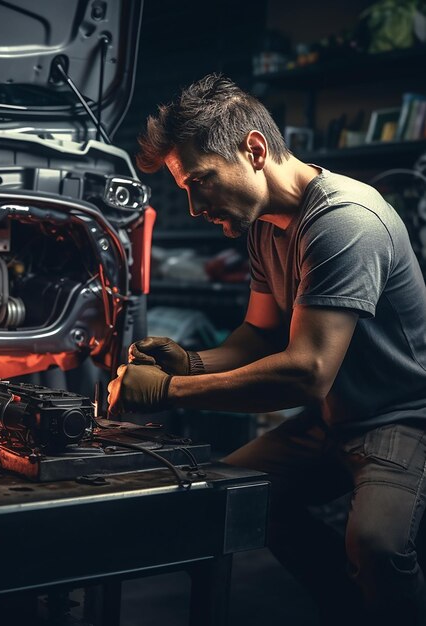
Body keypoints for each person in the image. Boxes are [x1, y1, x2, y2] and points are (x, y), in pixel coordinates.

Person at [107, 73, 426, 626]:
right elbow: (259, 336)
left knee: (375, 544)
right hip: (334, 420)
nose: (193, 204)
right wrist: (192, 361)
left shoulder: (345, 221)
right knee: (237, 498)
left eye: (200, 180)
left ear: (253, 149)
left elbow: (307, 372)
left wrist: (171, 389)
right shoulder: (265, 226)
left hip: (404, 418)